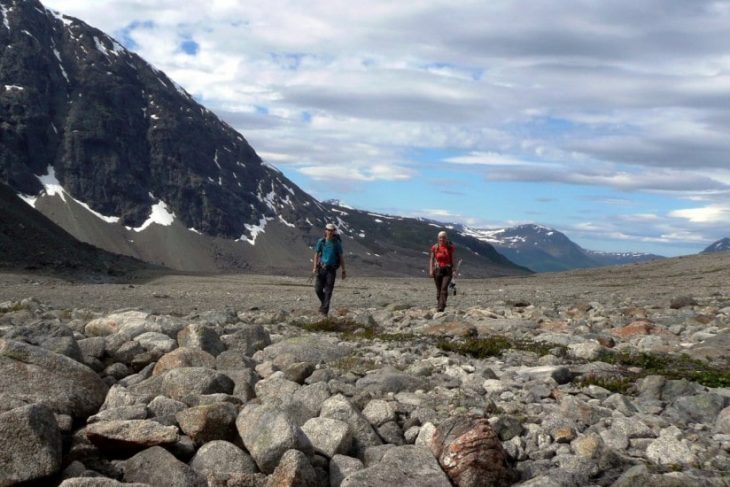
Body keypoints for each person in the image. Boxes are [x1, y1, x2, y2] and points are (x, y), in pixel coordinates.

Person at [313, 223, 346, 316]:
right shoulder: (321, 241)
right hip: (322, 268)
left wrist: (343, 270)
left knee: (328, 291)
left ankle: (324, 312)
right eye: (328, 230)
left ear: (334, 231)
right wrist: (315, 267)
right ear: (325, 230)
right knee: (318, 289)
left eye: (332, 230)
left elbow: (341, 257)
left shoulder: (336, 243)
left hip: (331, 270)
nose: (330, 232)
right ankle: (324, 304)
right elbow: (316, 254)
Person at [429, 230, 455, 312]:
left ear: (446, 238)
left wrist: (454, 270)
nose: (442, 239)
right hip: (437, 270)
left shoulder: (450, 247)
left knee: (444, 288)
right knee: (439, 290)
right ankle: (440, 304)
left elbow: (452, 256)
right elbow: (432, 259)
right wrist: (431, 269)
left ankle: (441, 307)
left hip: (447, 270)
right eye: (440, 238)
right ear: (438, 238)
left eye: (443, 238)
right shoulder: (435, 247)